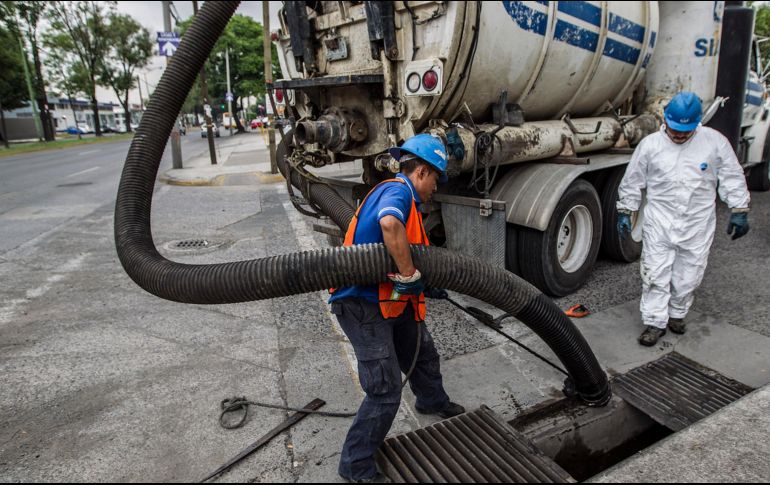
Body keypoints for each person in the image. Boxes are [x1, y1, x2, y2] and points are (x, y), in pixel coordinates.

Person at [329, 133, 465, 482]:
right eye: (436, 177)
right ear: (421, 171)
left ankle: (432, 400)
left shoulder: (407, 198)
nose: (437, 186)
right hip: (361, 303)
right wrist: (409, 274)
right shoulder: (399, 191)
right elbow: (390, 224)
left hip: (388, 300)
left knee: (422, 351)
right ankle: (355, 465)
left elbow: (404, 243)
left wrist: (423, 281)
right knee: (386, 390)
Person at [617, 91, 751, 347]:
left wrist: (739, 209)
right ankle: (655, 322)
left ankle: (676, 314)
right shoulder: (651, 146)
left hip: (697, 223)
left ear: (697, 124)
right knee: (655, 274)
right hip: (660, 221)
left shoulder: (714, 142)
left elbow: (732, 175)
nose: (678, 135)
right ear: (665, 121)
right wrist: (625, 210)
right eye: (674, 129)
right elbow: (632, 180)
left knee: (689, 274)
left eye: (685, 131)